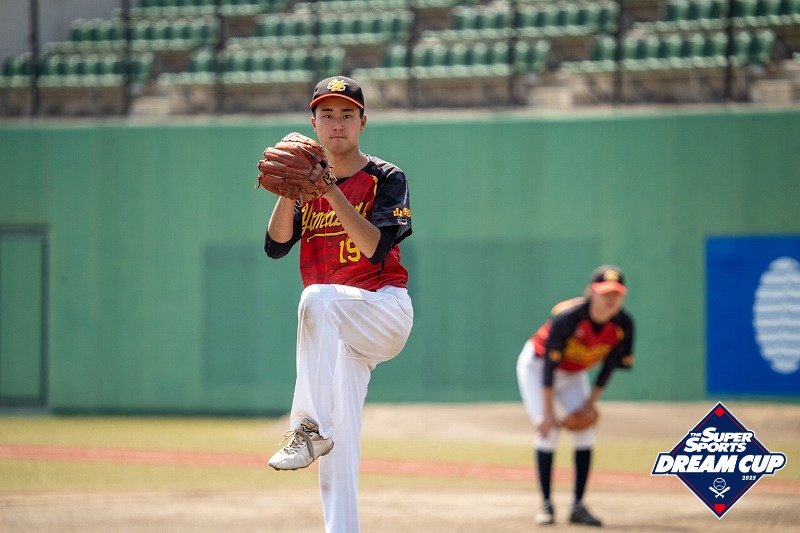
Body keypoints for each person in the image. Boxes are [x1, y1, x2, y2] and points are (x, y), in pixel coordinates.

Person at [262, 76, 414, 533]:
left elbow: (376, 248)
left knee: (316, 298)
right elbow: (275, 246)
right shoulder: (304, 184)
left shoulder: (386, 177)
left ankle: (306, 428)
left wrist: (330, 190)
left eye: (347, 114)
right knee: (339, 448)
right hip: (340, 331)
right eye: (326, 114)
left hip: (383, 310)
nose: (337, 123)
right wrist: (291, 191)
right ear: (314, 123)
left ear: (363, 122)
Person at [516, 265, 635, 527]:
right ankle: (546, 505)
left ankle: (578, 507)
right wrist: (547, 413)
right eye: (605, 292)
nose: (611, 299)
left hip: (573, 373)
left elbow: (608, 369)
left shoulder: (623, 325)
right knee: (547, 431)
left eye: (616, 293)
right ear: (591, 292)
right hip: (537, 367)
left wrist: (588, 405)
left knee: (586, 431)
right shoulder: (568, 319)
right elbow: (548, 368)